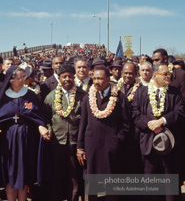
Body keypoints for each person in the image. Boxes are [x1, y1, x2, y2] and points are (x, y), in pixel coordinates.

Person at [132, 63, 185, 201]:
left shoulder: (174, 92)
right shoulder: (141, 92)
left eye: (169, 74)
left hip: (169, 145)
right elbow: (135, 113)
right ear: (155, 76)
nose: (169, 76)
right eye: (165, 74)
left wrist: (162, 121)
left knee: (168, 180)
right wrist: (150, 124)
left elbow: (180, 112)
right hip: (148, 144)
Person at [77, 67, 130, 201]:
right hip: (92, 146)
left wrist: (117, 140)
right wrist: (80, 147)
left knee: (111, 182)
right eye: (94, 78)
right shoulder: (88, 97)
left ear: (108, 79)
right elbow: (83, 123)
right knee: (93, 183)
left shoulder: (118, 97)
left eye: (100, 78)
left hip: (111, 146)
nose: (96, 81)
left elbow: (126, 123)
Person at [0, 66, 50, 201]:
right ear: (11, 80)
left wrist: (42, 127)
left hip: (27, 138)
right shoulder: (3, 97)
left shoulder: (30, 95)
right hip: (8, 139)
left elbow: (38, 117)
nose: (23, 80)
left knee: (24, 172)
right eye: (19, 78)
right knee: (10, 173)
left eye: (24, 77)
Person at [43, 64, 86, 201]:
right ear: (59, 78)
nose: (67, 79)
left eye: (70, 76)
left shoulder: (82, 96)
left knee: (74, 176)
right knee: (57, 175)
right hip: (57, 142)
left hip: (75, 142)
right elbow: (46, 118)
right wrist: (48, 128)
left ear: (74, 77)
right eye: (64, 77)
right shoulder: (51, 96)